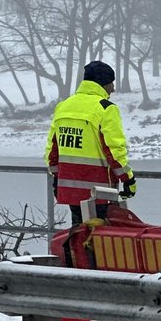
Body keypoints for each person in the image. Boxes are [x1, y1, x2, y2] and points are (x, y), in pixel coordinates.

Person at [45, 60, 135, 225]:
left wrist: (56, 178)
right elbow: (114, 149)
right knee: (103, 236)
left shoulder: (63, 106)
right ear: (103, 83)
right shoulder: (106, 108)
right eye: (111, 83)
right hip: (100, 191)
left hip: (71, 189)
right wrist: (128, 179)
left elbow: (52, 150)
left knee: (79, 234)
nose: (113, 88)